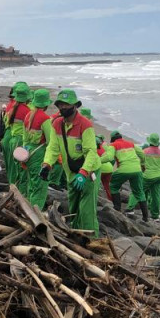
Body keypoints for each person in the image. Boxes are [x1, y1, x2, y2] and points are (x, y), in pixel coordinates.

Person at [40, 89, 100, 234]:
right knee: (73, 208)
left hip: (89, 171)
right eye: (60, 105)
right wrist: (47, 164)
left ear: (75, 106)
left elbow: (91, 152)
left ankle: (92, 239)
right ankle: (76, 234)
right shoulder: (57, 124)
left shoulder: (85, 125)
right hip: (71, 172)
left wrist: (84, 173)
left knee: (86, 210)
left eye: (66, 105)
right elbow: (53, 148)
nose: (63, 108)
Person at [104, 131, 148, 221]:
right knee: (139, 192)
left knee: (113, 185)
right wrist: (143, 164)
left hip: (124, 169)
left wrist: (97, 160)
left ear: (112, 139)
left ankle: (117, 208)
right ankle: (145, 217)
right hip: (137, 169)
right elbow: (142, 154)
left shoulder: (113, 145)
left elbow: (109, 157)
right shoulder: (131, 144)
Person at [22, 89, 55, 208]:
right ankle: (36, 216)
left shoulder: (27, 116)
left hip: (28, 153)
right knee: (40, 187)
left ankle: (29, 209)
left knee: (32, 184)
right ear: (46, 104)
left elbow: (24, 138)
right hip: (40, 154)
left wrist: (24, 156)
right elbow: (51, 141)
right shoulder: (45, 119)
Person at [5, 84, 32, 188]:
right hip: (20, 141)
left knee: (13, 167)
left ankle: (12, 187)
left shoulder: (13, 108)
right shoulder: (27, 111)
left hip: (13, 139)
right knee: (21, 170)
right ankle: (18, 191)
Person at [142, 133, 160, 220]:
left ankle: (131, 209)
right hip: (158, 176)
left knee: (140, 191)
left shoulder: (145, 151)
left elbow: (142, 163)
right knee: (156, 196)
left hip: (147, 175)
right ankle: (155, 215)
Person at [96, 136, 114, 202]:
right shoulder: (103, 148)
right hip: (109, 168)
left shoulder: (93, 149)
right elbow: (111, 158)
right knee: (107, 186)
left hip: (102, 169)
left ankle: (96, 197)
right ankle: (110, 200)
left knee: (94, 182)